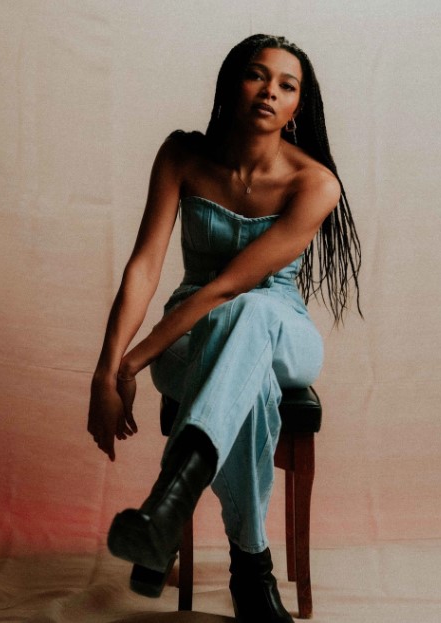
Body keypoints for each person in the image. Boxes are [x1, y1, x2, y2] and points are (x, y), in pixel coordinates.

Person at [87, 34, 361, 622]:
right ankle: (249, 569)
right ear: (231, 83)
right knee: (249, 385)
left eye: (287, 85)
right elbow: (144, 266)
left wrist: (131, 363)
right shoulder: (182, 155)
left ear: (298, 107)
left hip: (280, 328)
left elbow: (231, 286)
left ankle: (168, 503)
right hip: (189, 338)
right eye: (257, 75)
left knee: (249, 312)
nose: (270, 91)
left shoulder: (316, 183)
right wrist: (102, 372)